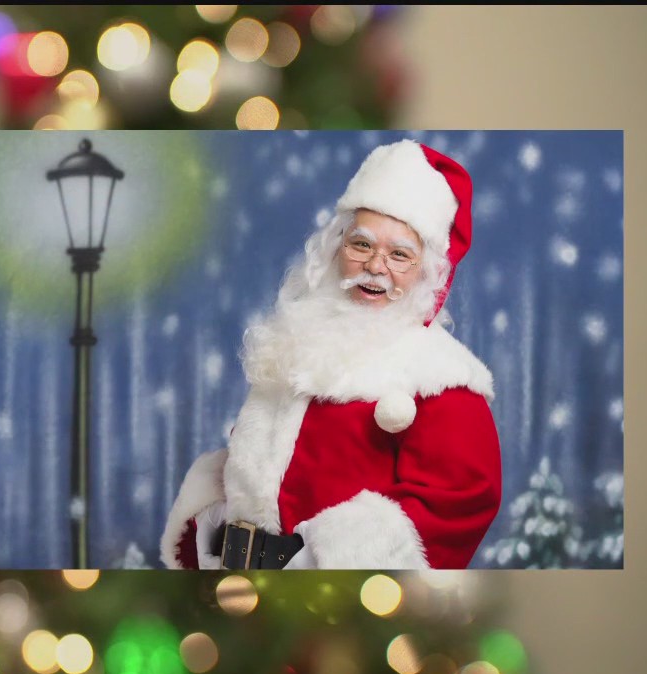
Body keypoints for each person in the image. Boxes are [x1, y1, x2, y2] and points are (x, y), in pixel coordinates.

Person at [160, 139, 501, 570]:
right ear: (335, 249)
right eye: (362, 245)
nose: (376, 266)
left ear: (428, 273)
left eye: (400, 255)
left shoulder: (442, 379)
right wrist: (208, 524)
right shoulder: (296, 340)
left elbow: (457, 504)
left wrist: (311, 561)